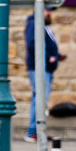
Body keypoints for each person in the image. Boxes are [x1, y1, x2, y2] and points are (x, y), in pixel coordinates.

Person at [24, 7, 64, 142]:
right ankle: (32, 131)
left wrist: (57, 55)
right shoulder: (34, 23)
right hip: (39, 67)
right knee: (39, 98)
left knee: (41, 99)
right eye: (47, 11)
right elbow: (32, 44)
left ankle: (38, 131)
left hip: (46, 68)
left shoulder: (44, 25)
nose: (49, 13)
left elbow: (47, 44)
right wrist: (48, 57)